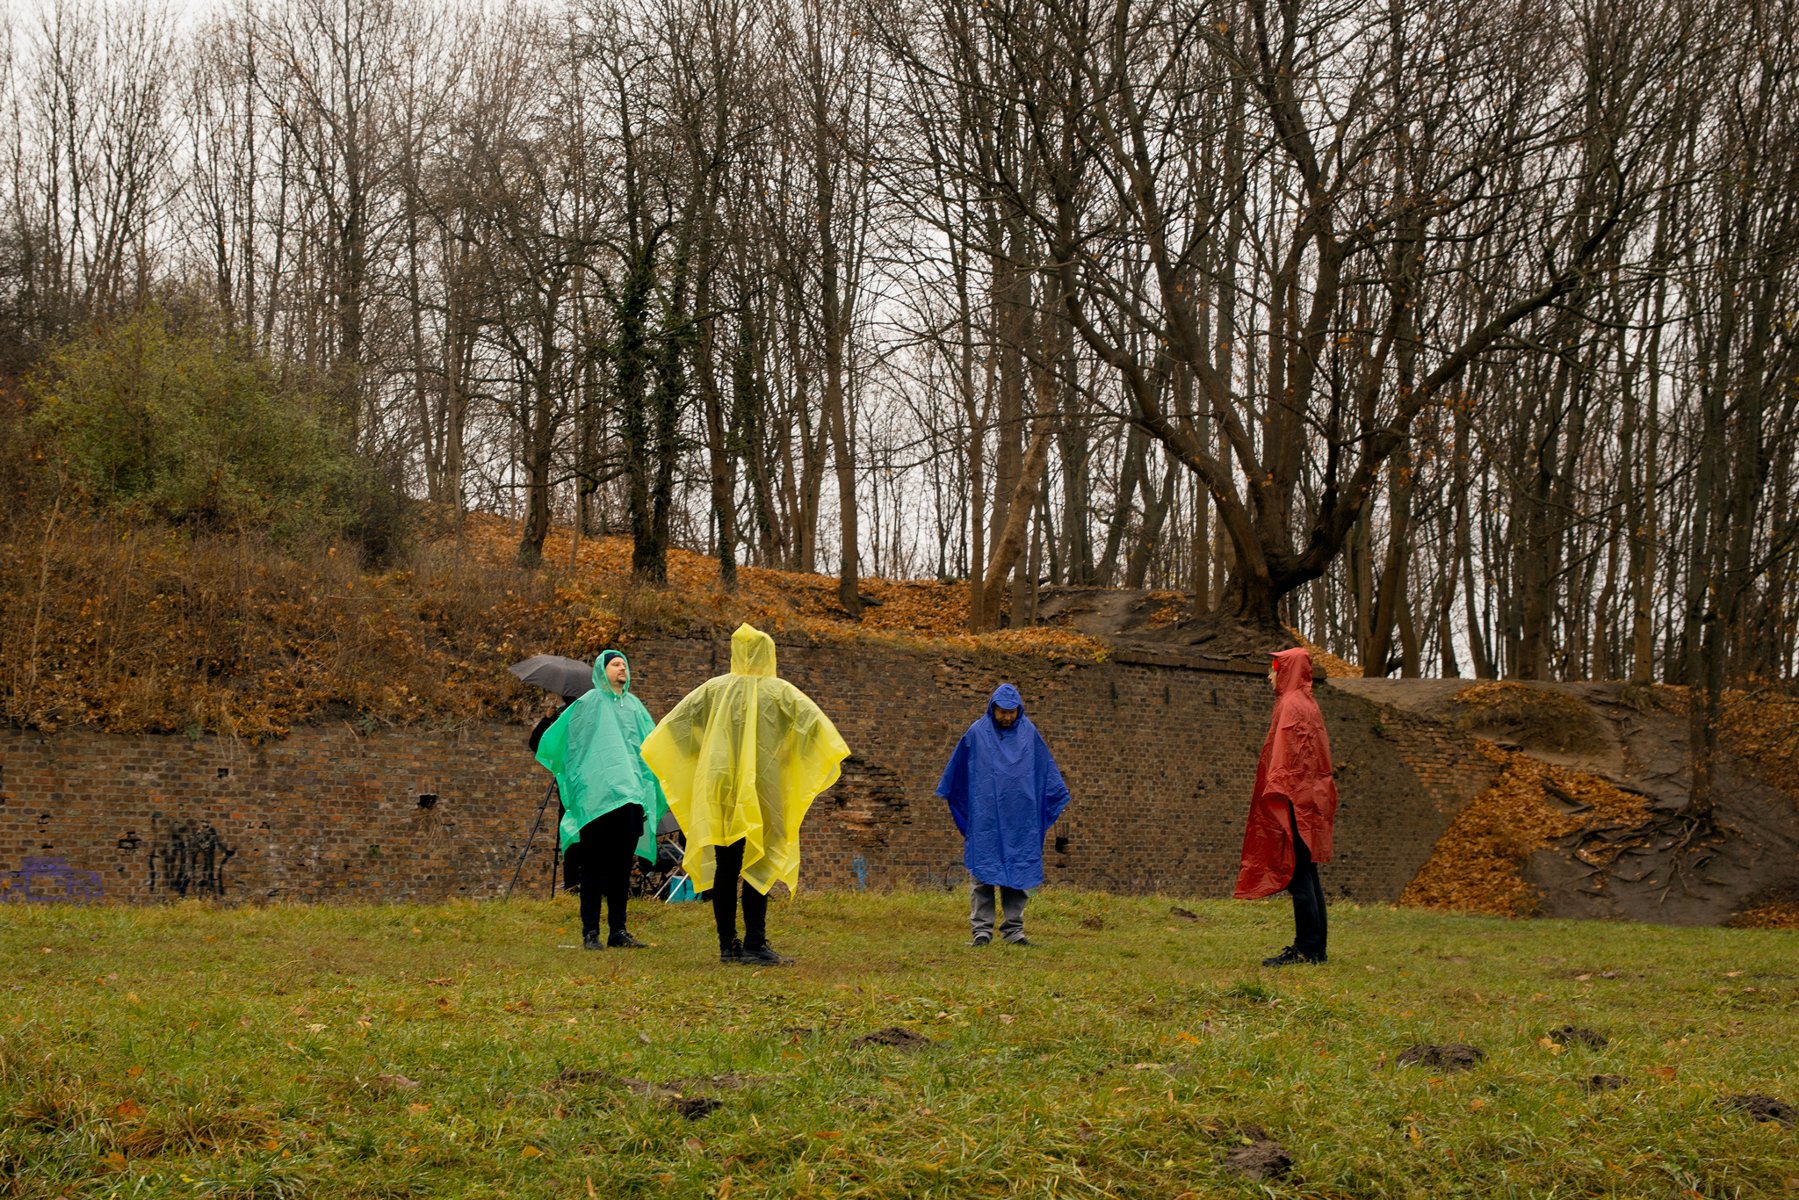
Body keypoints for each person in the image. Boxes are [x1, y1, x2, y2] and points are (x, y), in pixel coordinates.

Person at [640, 624, 850, 966]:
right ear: (769, 653)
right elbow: (820, 734)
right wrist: (786, 756)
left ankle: (728, 946)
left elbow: (673, 730)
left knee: (726, 866)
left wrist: (702, 751)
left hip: (720, 789)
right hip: (764, 790)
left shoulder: (713, 690)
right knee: (759, 861)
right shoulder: (782, 692)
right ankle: (754, 942)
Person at [534, 651, 668, 950]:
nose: (622, 667)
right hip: (597, 799)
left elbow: (650, 746)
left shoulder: (635, 707)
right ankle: (590, 932)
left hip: (630, 798)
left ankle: (618, 931)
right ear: (601, 670)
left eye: (624, 664)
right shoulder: (588, 703)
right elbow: (567, 741)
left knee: (621, 868)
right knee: (593, 867)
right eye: (615, 664)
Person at [936, 683, 1071, 947]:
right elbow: (959, 773)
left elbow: (1045, 772)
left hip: (1021, 820)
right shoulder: (977, 734)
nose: (1007, 717)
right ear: (992, 708)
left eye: (1012, 712)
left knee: (1017, 873)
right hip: (986, 818)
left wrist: (1049, 798)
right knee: (983, 875)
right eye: (1002, 711)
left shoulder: (1029, 734)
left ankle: (1014, 931)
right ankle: (981, 932)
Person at [1234, 647, 1338, 966]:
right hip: (1309, 796)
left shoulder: (1291, 705)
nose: (1270, 675)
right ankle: (1316, 949)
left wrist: (1276, 790)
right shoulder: (1307, 703)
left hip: (1294, 797)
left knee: (1297, 873)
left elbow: (1285, 758)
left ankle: (1307, 949)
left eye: (1274, 668)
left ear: (1287, 671)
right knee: (1308, 872)